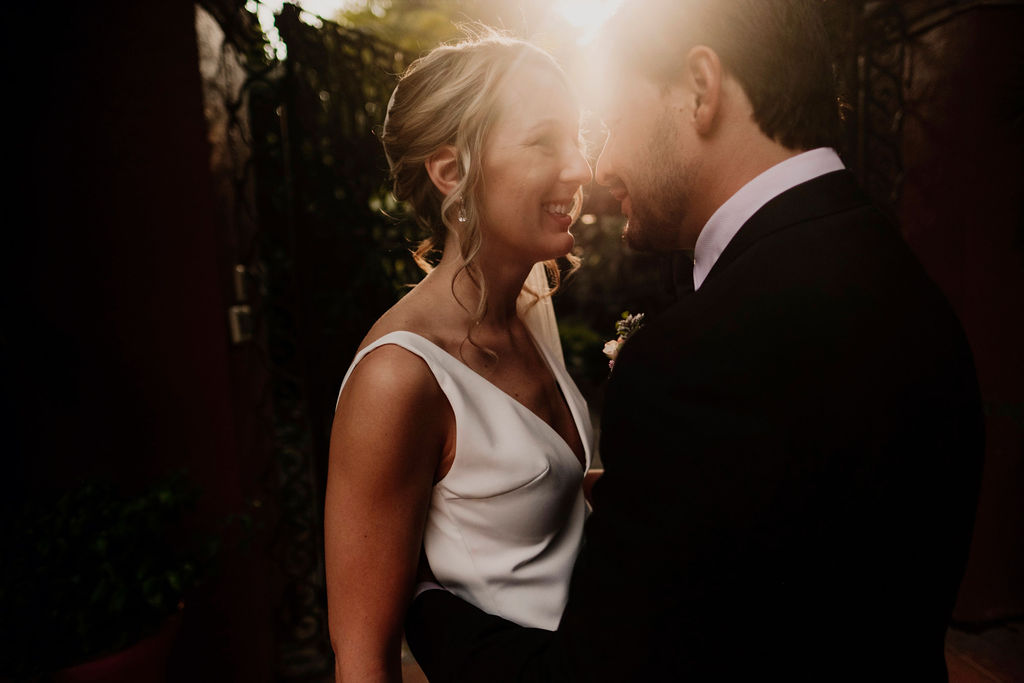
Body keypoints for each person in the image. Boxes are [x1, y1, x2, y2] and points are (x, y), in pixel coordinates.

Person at [404, 1, 985, 680]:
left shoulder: (696, 362)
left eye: (608, 123)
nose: (599, 163)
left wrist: (426, 602)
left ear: (700, 90)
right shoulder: (905, 280)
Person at [323, 34, 595, 682]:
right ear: (451, 172)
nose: (580, 166)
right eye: (544, 141)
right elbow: (363, 660)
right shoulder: (401, 377)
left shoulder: (529, 306)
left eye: (578, 137)